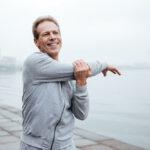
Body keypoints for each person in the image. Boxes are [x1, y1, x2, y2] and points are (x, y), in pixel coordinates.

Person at [20, 15, 121, 150]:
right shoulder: (34, 62)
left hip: (66, 146)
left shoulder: (71, 75)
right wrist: (103, 65)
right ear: (36, 42)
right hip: (35, 146)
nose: (52, 37)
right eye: (46, 34)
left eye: (55, 33)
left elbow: (81, 114)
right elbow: (80, 69)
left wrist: (81, 82)